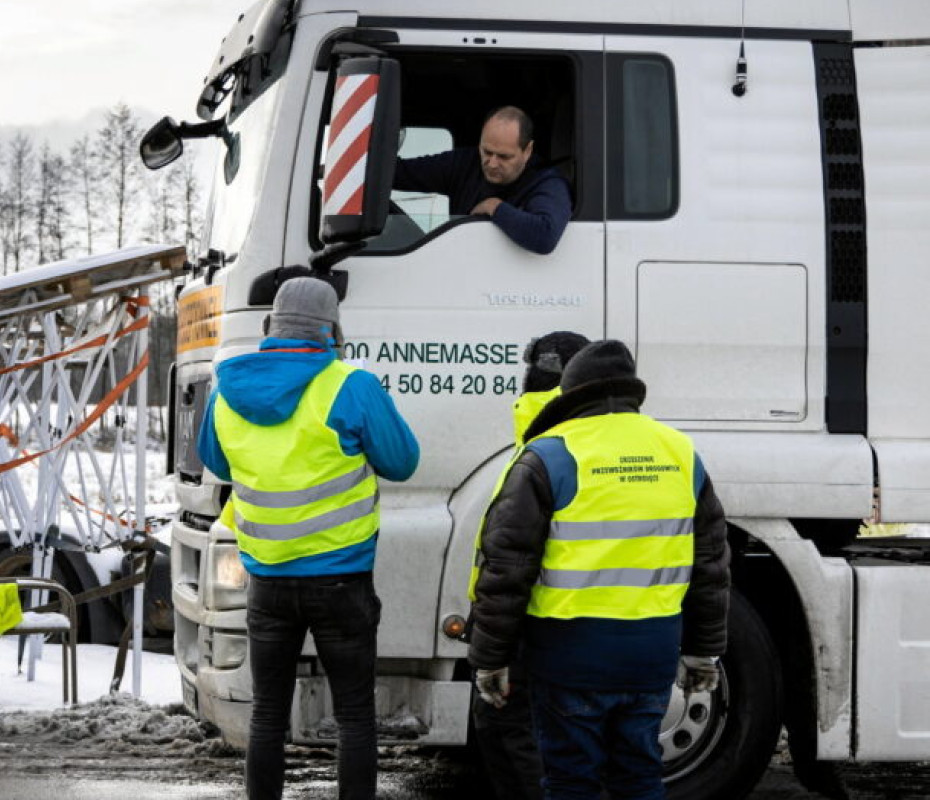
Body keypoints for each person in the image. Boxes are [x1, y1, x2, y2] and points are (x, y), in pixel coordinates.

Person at [468, 340, 730, 800]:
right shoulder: (680, 453)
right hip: (650, 658)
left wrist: (491, 657)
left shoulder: (549, 455)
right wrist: (703, 652)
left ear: (571, 394)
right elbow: (710, 565)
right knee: (639, 777)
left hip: (569, 660)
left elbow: (506, 568)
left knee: (571, 782)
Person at [197, 277, 419, 800]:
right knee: (354, 718)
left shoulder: (228, 386)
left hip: (268, 580)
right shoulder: (349, 384)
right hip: (341, 581)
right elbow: (402, 462)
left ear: (270, 327)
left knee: (269, 714)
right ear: (332, 332)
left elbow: (215, 459)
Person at [467, 331, 591, 800]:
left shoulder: (540, 448)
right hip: (568, 616)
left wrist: (490, 648)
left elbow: (510, 558)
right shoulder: (569, 440)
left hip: (533, 618)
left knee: (511, 732)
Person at [394, 106, 572, 255]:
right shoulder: (464, 164)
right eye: (486, 152)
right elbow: (400, 174)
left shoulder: (546, 182)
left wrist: (495, 207)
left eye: (504, 157)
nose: (492, 163)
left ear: (527, 151)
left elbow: (545, 236)